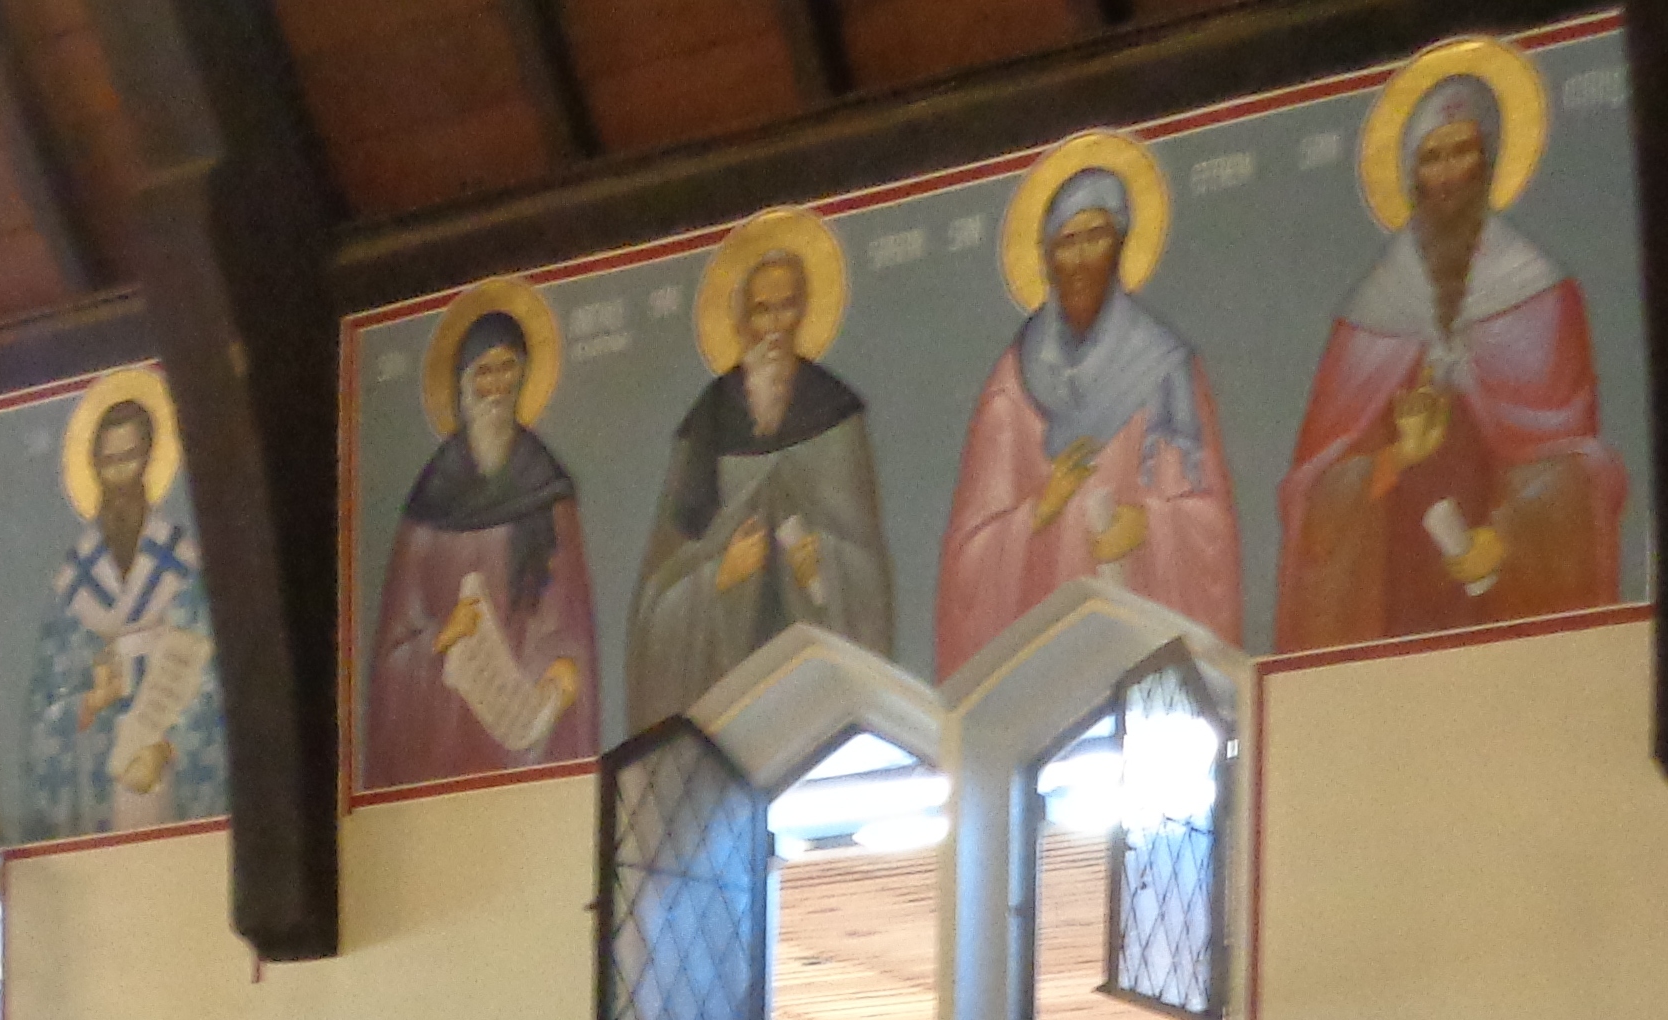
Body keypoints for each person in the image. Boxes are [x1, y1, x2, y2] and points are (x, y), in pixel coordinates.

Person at [1274, 50, 1624, 649]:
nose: (1447, 174)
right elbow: (1313, 489)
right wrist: (1395, 459)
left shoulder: (1542, 294)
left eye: (1461, 151)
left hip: (1508, 592)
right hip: (1392, 599)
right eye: (1431, 158)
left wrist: (1508, 532)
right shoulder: (1369, 314)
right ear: (1411, 174)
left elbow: (1580, 467)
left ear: (1488, 161)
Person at [938, 148, 1241, 675]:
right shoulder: (1012, 385)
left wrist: (1149, 527)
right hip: (1047, 666)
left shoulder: (1166, 371)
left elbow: (1209, 523)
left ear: (1120, 242)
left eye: (1095, 236)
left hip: (1144, 651)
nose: (1080, 259)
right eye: (1066, 242)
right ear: (1046, 257)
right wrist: (1040, 512)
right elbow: (968, 557)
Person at [626, 219, 894, 729]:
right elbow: (658, 598)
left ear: (805, 311)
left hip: (814, 693)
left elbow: (870, 574)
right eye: (761, 310)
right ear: (740, 321)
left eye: (786, 307)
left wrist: (822, 566)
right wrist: (719, 577)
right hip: (724, 698)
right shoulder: (708, 424)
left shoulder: (835, 414)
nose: (774, 327)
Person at [363, 296, 597, 787]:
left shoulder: (548, 488)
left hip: (525, 735)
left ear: (524, 374)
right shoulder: (429, 500)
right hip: (445, 740)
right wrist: (442, 638)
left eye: (507, 369)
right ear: (461, 384)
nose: (495, 387)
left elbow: (570, 621)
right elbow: (393, 651)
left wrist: (560, 671)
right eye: (483, 373)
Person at [20, 385, 226, 842]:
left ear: (149, 459)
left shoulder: (182, 564)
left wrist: (168, 745)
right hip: (97, 777)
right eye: (108, 462)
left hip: (166, 769)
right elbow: (45, 705)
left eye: (129, 458)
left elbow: (214, 681)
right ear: (93, 467)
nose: (119, 476)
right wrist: (90, 702)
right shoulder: (73, 581)